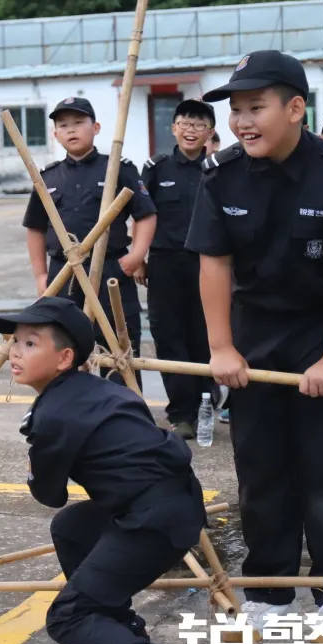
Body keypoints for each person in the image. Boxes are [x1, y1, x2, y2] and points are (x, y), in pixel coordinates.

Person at [186, 50, 323, 643]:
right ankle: (269, 589)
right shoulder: (222, 173)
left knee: (322, 468)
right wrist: (223, 349)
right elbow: (213, 267)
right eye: (236, 109)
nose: (243, 120)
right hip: (253, 333)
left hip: (318, 331)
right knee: (260, 467)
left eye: (255, 107)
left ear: (295, 108)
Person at [0, 296, 212, 644]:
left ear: (64, 357)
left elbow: (48, 493)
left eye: (30, 343)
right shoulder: (101, 390)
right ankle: (121, 631)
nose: (14, 352)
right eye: (14, 341)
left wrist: (36, 450)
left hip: (150, 524)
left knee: (68, 617)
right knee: (72, 527)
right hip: (175, 506)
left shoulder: (53, 414)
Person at [23, 97, 157, 388]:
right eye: (63, 125)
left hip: (111, 271)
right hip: (64, 273)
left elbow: (146, 215)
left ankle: (124, 416)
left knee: (119, 350)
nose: (71, 130)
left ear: (95, 127)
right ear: (55, 134)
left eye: (79, 122)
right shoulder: (47, 177)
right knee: (63, 350)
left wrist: (136, 256)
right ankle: (70, 412)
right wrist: (41, 276)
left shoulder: (118, 168)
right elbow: (34, 228)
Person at [141, 100, 224, 438]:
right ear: (173, 128)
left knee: (206, 335)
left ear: (210, 132)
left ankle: (207, 402)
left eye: (199, 124)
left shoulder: (218, 168)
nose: (191, 130)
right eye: (185, 123)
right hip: (165, 265)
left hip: (208, 265)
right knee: (169, 336)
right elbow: (142, 214)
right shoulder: (156, 168)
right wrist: (140, 255)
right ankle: (181, 414)